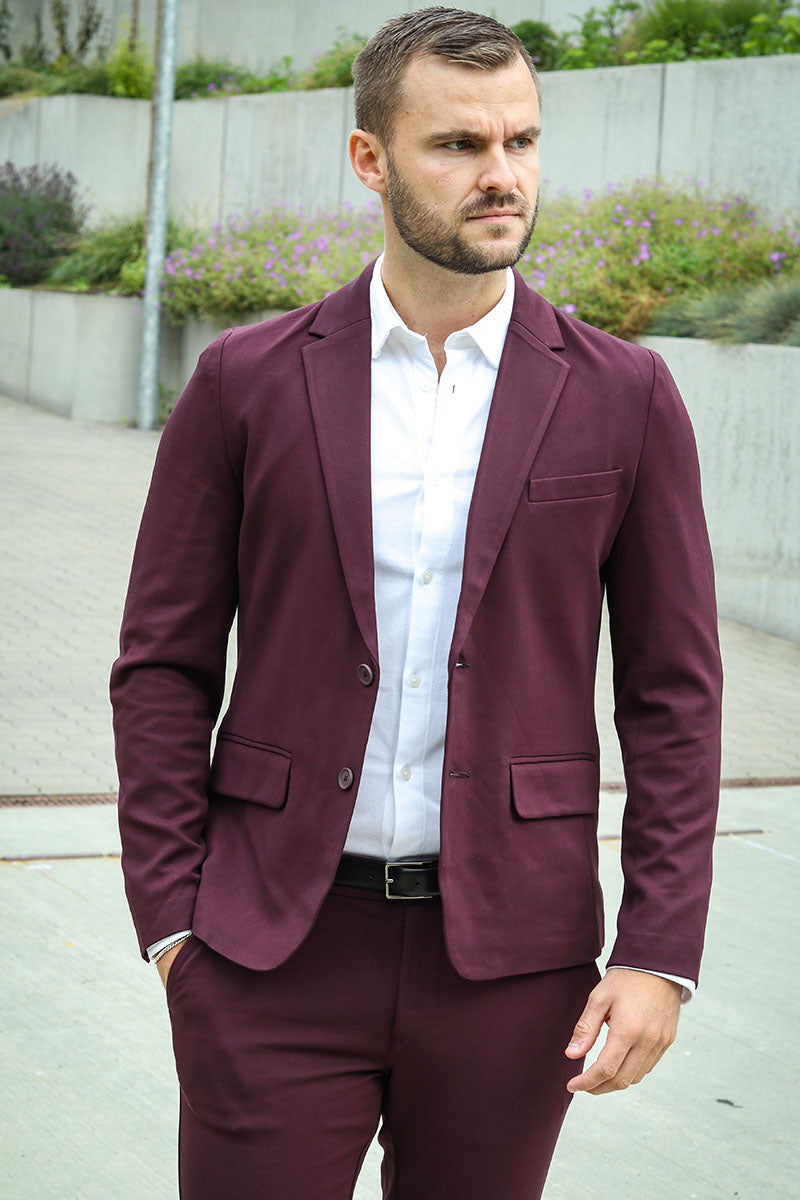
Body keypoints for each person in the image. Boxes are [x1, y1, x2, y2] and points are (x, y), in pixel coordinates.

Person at [110, 7, 723, 1198]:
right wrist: (175, 924)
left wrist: (658, 952)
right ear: (369, 159)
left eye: (520, 140)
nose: (501, 175)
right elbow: (161, 666)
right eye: (456, 145)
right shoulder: (244, 383)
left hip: (513, 963)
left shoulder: (626, 397)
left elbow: (672, 698)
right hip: (270, 950)